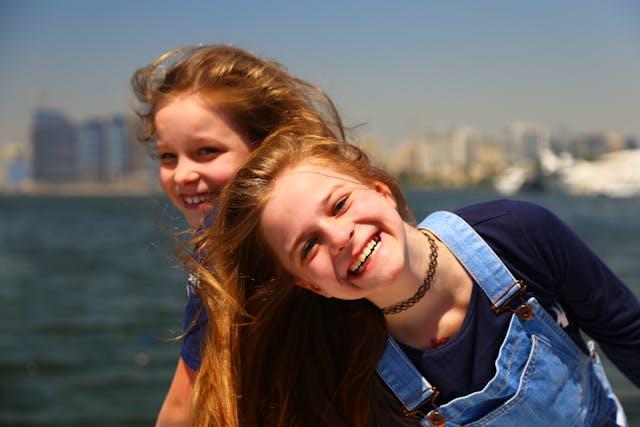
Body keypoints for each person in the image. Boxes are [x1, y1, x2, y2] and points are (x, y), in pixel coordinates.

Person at [193, 135, 640, 426]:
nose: (340, 237)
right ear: (310, 285)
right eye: (308, 246)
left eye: (340, 205)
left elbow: (630, 336)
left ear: (381, 190)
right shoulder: (344, 362)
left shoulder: (518, 234)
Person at [131, 44, 346, 426]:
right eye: (167, 156)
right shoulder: (343, 231)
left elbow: (182, 408)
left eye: (206, 151)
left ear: (269, 149)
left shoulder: (221, 260)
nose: (182, 175)